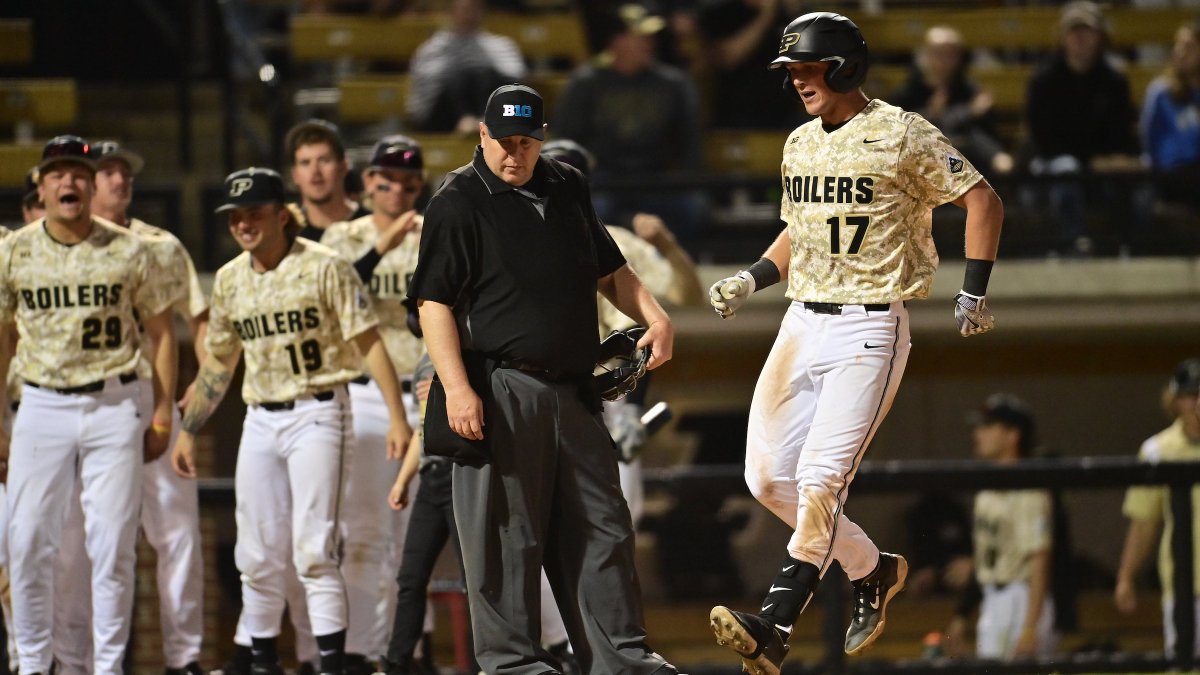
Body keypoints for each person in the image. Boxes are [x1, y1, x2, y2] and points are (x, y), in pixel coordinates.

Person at [705, 12, 1003, 675]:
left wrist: (973, 290)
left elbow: (983, 201)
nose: (797, 81)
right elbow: (801, 232)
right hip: (801, 319)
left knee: (819, 479)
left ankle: (777, 623)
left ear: (842, 67)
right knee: (765, 478)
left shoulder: (901, 132)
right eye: (792, 71)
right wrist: (751, 277)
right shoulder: (799, 143)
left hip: (870, 324)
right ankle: (873, 568)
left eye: (807, 68)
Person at [408, 83, 682, 675]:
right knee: (506, 536)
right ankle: (513, 665)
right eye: (502, 141)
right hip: (500, 386)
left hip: (576, 389)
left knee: (604, 526)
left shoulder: (565, 183)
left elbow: (609, 268)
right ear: (481, 135)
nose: (514, 153)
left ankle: (623, 660)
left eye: (526, 141)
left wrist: (655, 317)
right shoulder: (456, 200)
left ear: (542, 139)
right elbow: (433, 303)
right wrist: (457, 388)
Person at [170, 167, 414, 675]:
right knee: (256, 555)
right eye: (236, 216)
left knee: (314, 549)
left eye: (254, 213)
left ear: (283, 215)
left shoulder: (326, 266)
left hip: (319, 410)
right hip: (260, 418)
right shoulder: (232, 277)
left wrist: (396, 417)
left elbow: (369, 342)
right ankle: (262, 663)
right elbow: (219, 360)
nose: (244, 224)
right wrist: (190, 428)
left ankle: (331, 665)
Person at [0, 135, 178, 675]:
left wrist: (163, 411)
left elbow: (162, 332)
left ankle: (107, 668)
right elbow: (2, 335)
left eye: (79, 172)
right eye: (58, 173)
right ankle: (32, 664)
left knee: (113, 548)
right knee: (28, 542)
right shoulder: (14, 249)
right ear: (41, 185)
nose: (69, 181)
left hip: (114, 403)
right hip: (41, 403)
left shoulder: (129, 248)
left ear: (91, 181)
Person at [50, 141, 209, 675]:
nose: (119, 180)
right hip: (81, 398)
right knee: (76, 539)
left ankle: (183, 658)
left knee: (177, 530)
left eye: (125, 172)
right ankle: (76, 661)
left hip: (148, 389)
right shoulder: (56, 245)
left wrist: (202, 386)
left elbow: (199, 318)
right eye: (107, 171)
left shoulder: (159, 244)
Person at [541, 137, 703, 526]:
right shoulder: (513, 235)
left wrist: (668, 245)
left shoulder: (616, 240)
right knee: (543, 517)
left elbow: (687, 296)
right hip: (537, 386)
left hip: (606, 391)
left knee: (617, 515)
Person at [320, 135, 428, 672]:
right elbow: (333, 296)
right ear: (367, 182)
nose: (400, 190)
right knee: (365, 530)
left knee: (421, 537)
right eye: (388, 180)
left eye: (411, 183)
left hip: (427, 390)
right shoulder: (341, 236)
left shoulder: (436, 232)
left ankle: (412, 650)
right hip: (364, 394)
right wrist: (386, 244)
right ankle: (361, 651)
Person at [552, 3, 707, 246]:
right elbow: (567, 141)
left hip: (654, 178)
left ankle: (671, 270)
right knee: (589, 210)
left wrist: (688, 178)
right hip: (603, 180)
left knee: (692, 207)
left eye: (650, 36)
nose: (649, 42)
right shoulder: (585, 83)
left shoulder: (673, 84)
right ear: (616, 41)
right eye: (639, 36)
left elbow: (689, 141)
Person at [1023, 1, 1141, 256]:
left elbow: (1121, 130)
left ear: (1100, 37)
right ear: (1062, 37)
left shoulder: (1114, 79)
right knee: (1066, 168)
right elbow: (1043, 139)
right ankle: (1073, 243)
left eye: (1087, 31)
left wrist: (1111, 159)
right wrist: (1091, 159)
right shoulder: (1044, 79)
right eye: (1073, 31)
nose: (1080, 38)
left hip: (1101, 164)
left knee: (1136, 176)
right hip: (1051, 164)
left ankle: (1130, 247)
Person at [943, 394, 1056, 660]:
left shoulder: (1029, 489)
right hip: (993, 598)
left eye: (988, 427)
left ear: (1012, 435)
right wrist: (962, 614)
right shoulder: (988, 488)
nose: (977, 434)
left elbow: (1040, 560)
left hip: (1021, 598)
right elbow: (987, 559)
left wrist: (1030, 627)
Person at [1115, 357, 1200, 659]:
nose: (1197, 404)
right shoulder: (1157, 450)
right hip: (1183, 588)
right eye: (1191, 395)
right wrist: (1127, 576)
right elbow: (1144, 522)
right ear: (1176, 401)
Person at [891, 25, 1013, 177]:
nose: (945, 60)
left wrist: (995, 154)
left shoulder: (970, 90)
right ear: (925, 54)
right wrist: (965, 112)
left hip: (968, 160)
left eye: (951, 54)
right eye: (939, 53)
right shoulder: (907, 93)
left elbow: (981, 131)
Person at [406, 0, 528, 134]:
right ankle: (466, 119)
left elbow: (516, 79)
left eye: (474, 8)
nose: (469, 14)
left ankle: (483, 120)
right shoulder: (432, 49)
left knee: (485, 74)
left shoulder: (501, 45)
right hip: (444, 116)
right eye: (464, 9)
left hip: (495, 113)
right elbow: (424, 93)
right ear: (451, 12)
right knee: (458, 76)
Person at [1140, 22, 1200, 207]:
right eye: (1178, 45)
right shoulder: (1161, 92)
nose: (1180, 52)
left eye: (1188, 47)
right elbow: (1150, 143)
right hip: (1172, 175)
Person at [285, 119, 371, 238]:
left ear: (343, 167)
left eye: (324, 160)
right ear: (295, 174)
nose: (315, 171)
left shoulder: (373, 228)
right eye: (305, 163)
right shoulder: (285, 237)